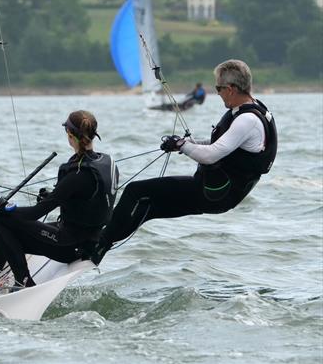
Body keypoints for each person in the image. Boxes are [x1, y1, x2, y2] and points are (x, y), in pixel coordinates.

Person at [90, 60, 277, 265]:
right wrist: (185, 143)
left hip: (214, 192)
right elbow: (219, 145)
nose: (217, 93)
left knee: (135, 191)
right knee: (147, 208)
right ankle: (101, 245)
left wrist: (182, 145)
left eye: (218, 88)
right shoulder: (251, 109)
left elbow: (210, 155)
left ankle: (98, 245)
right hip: (219, 193)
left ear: (231, 89)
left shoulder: (247, 120)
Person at [0, 110, 118, 301]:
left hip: (70, 245)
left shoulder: (77, 174)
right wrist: (55, 196)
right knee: (6, 236)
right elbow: (89, 200)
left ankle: (23, 282)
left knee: (1, 221)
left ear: (70, 135)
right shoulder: (107, 162)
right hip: (90, 241)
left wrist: (6, 208)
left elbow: (34, 213)